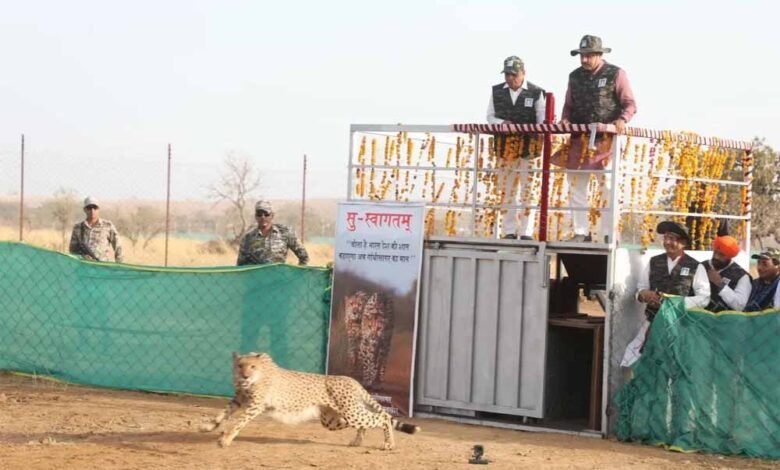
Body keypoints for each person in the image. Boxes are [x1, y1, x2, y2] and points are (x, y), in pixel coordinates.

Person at [560, 35, 637, 242]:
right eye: (582, 55)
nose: (584, 59)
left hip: (606, 139)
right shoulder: (574, 76)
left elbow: (630, 103)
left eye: (588, 55)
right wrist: (565, 119)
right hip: (579, 138)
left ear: (599, 54)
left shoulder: (616, 73)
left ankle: (609, 234)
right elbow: (568, 106)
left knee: (608, 186)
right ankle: (581, 232)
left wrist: (622, 119)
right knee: (575, 184)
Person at [621, 221, 710, 367]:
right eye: (665, 238)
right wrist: (644, 294)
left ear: (683, 243)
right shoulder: (654, 262)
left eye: (672, 239)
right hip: (653, 323)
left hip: (681, 326)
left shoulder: (695, 266)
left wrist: (673, 303)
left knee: (675, 364)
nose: (667, 242)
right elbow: (641, 289)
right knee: (639, 361)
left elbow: (704, 298)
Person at [487, 56, 546, 240]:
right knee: (507, 189)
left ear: (523, 73)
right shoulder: (497, 91)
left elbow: (542, 120)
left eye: (514, 74)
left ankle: (526, 231)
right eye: (507, 75)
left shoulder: (536, 92)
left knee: (529, 190)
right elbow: (490, 116)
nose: (511, 78)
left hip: (530, 149)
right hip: (505, 149)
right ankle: (509, 231)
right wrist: (502, 123)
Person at [237, 200, 309, 266]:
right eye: (259, 214)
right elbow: (241, 266)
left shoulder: (285, 232)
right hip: (256, 276)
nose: (263, 217)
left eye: (266, 214)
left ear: (272, 215)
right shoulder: (248, 238)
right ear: (255, 216)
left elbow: (304, 257)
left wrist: (296, 274)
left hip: (279, 275)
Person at [702, 235, 751, 312]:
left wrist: (720, 284)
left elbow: (739, 305)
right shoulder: (701, 266)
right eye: (715, 252)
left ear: (730, 257)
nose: (716, 257)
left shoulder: (742, 276)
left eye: (721, 255)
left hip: (724, 318)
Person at [68, 196, 124, 262]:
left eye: (95, 208)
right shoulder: (78, 228)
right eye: (89, 208)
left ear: (98, 209)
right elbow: (72, 250)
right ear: (84, 210)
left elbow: (118, 247)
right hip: (83, 265)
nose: (92, 211)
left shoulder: (108, 225)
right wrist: (82, 256)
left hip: (101, 266)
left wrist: (119, 265)